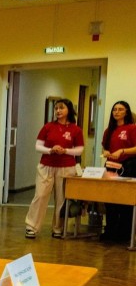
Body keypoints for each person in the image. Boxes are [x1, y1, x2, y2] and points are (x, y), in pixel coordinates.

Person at [24, 98, 83, 240]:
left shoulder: (75, 129)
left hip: (66, 167)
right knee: (40, 195)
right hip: (46, 165)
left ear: (69, 110)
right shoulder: (48, 127)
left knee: (61, 199)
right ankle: (31, 227)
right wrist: (51, 150)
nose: (58, 111)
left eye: (61, 108)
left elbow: (79, 150)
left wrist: (65, 151)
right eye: (56, 108)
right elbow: (38, 146)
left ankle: (58, 228)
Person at [101, 100, 136, 242]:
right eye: (114, 109)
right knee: (110, 200)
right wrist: (106, 152)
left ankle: (124, 233)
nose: (117, 112)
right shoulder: (109, 130)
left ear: (126, 112)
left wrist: (122, 151)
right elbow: (105, 148)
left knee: (124, 200)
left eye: (120, 109)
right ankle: (110, 230)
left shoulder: (132, 128)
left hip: (128, 166)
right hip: (111, 166)